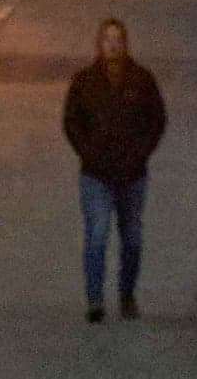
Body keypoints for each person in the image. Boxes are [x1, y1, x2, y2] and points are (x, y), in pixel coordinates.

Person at [61, 17, 167, 323]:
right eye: (107, 38)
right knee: (97, 234)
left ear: (126, 42)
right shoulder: (84, 82)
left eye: (117, 38)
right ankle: (95, 299)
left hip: (132, 175)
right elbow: (71, 122)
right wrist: (89, 153)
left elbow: (156, 121)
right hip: (95, 175)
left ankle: (127, 293)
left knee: (131, 238)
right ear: (99, 43)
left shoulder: (142, 80)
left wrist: (140, 154)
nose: (112, 44)